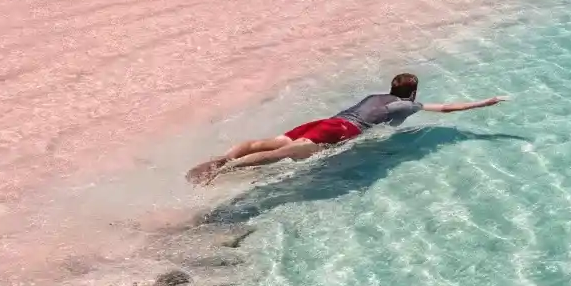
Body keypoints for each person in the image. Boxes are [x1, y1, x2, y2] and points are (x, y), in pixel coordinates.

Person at [186, 73, 504, 183]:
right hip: (339, 131)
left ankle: (222, 158)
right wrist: (484, 103)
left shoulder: (376, 96)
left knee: (268, 142)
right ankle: (224, 171)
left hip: (325, 120)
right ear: (413, 93)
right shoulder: (406, 105)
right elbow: (446, 108)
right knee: (284, 154)